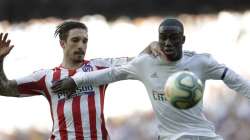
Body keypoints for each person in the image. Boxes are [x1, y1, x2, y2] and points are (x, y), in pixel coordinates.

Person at [51, 18, 250, 140]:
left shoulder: (201, 62)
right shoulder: (146, 63)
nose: (168, 42)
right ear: (157, 38)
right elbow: (112, 73)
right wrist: (77, 80)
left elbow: (234, 80)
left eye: (174, 38)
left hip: (206, 135)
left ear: (183, 40)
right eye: (163, 37)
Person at [0, 20, 155, 140]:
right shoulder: (45, 77)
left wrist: (152, 46)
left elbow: (137, 63)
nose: (81, 45)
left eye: (84, 41)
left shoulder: (99, 67)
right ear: (62, 43)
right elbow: (4, 88)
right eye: (75, 40)